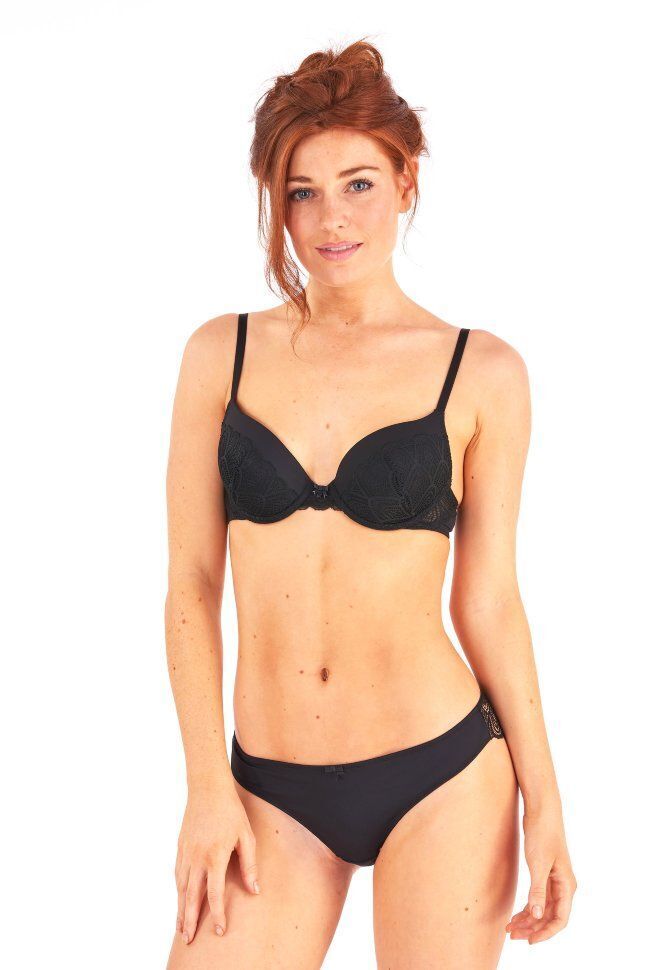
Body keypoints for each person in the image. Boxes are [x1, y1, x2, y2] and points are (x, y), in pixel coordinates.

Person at [164, 39, 576, 970]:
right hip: (266, 785)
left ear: (405, 181)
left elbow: (489, 601)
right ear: (276, 201)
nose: (331, 219)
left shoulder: (481, 371)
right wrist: (205, 787)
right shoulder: (219, 355)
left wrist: (546, 803)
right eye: (301, 192)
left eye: (358, 184)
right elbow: (190, 584)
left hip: (442, 772)